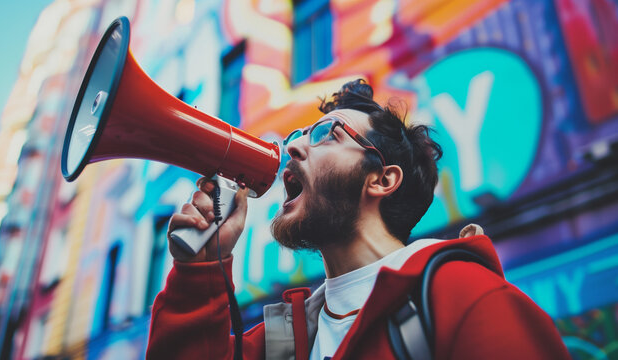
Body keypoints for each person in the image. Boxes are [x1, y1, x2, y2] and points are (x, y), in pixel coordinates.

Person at [146, 79, 570, 359]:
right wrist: (199, 270)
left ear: (382, 179)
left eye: (326, 134)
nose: (291, 149)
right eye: (295, 137)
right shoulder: (283, 344)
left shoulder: (463, 297)